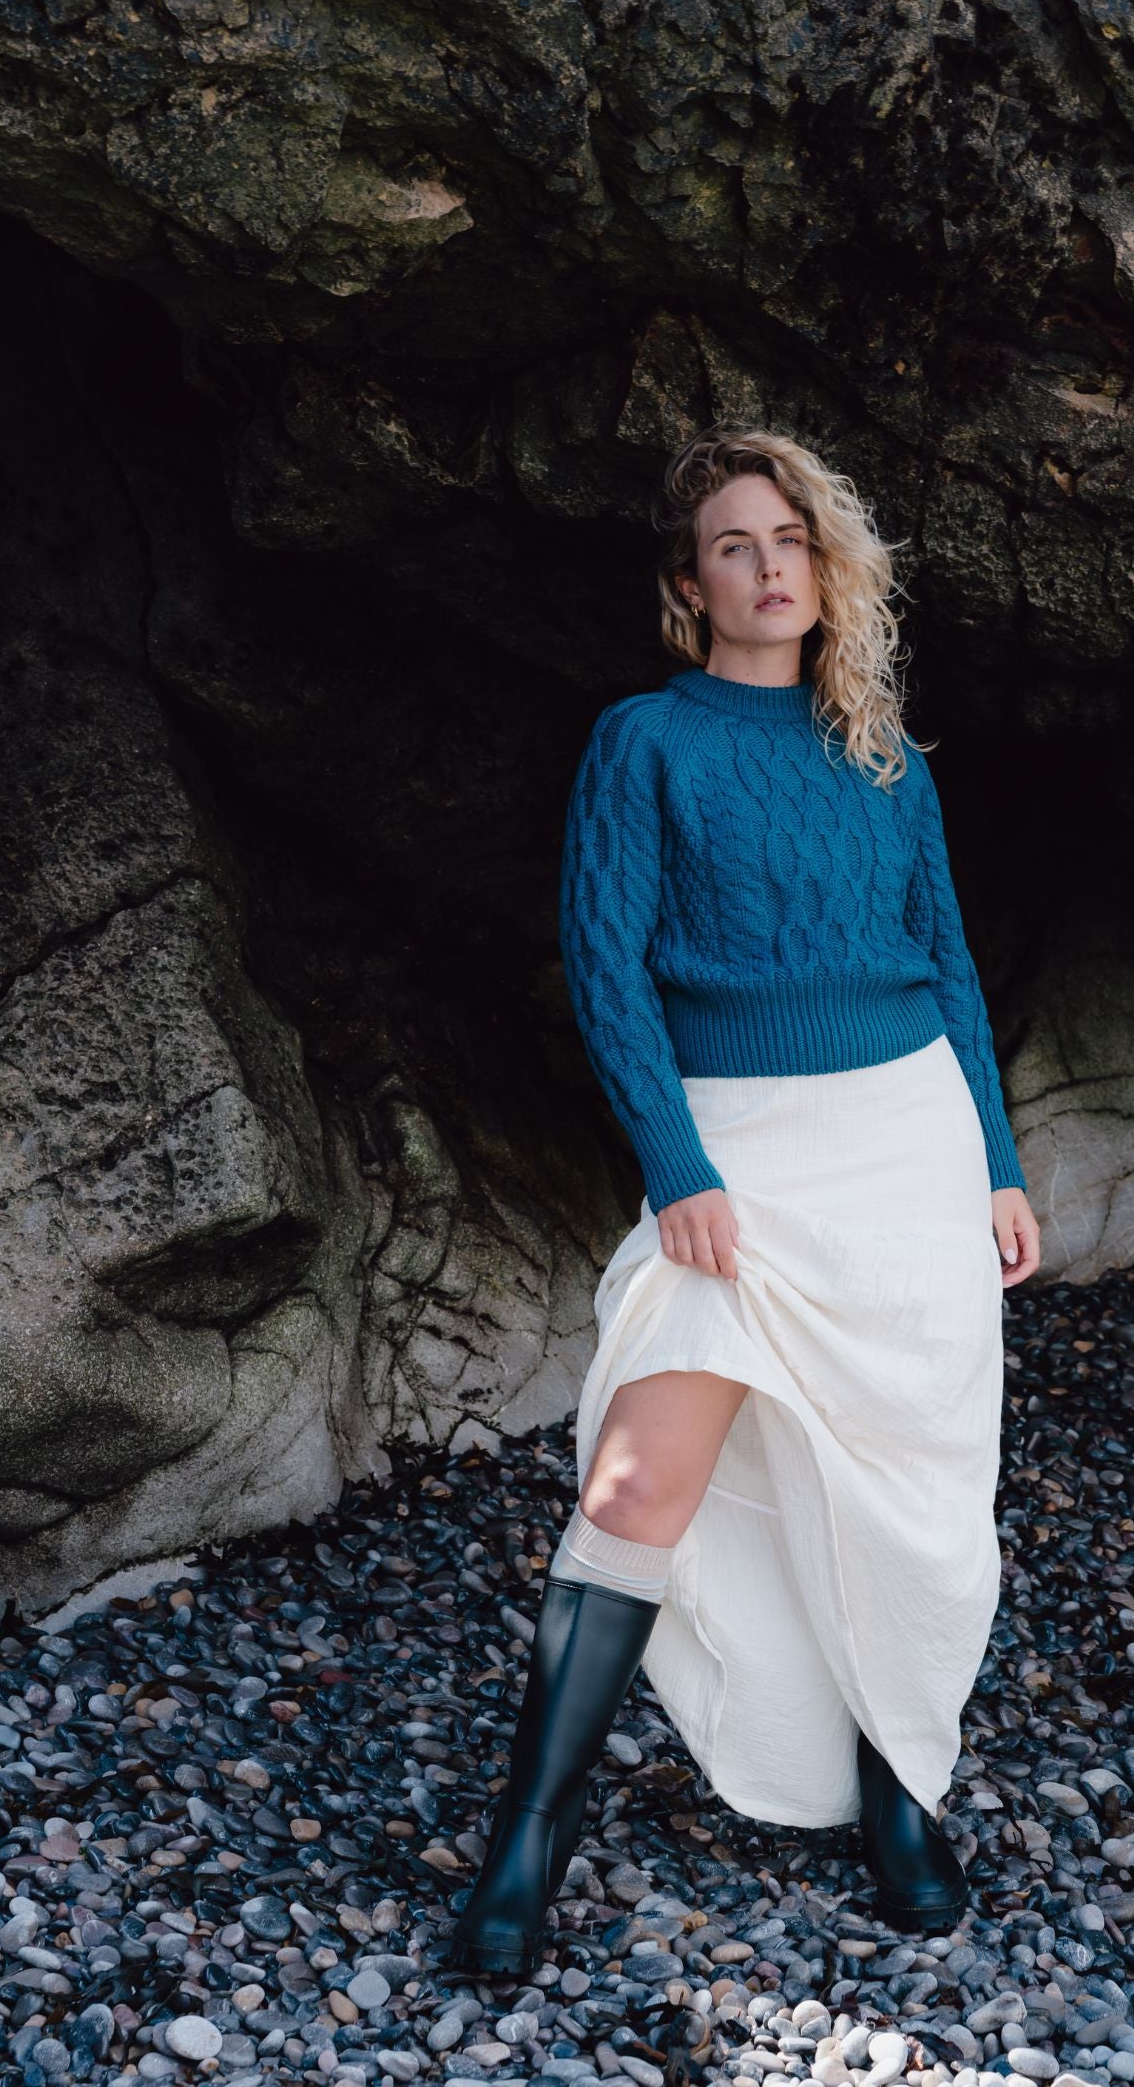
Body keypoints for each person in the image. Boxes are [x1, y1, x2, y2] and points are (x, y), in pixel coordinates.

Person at [445, 424, 1042, 1980]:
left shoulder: (884, 757)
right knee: (638, 1482)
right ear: (687, 585)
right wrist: (680, 1168)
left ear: (824, 565)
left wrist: (998, 1162)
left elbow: (953, 970)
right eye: (734, 545)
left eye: (790, 539)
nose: (769, 566)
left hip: (906, 1140)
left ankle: (897, 1788)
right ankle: (527, 1842)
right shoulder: (644, 743)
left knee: (901, 1487)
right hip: (741, 1153)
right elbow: (607, 964)